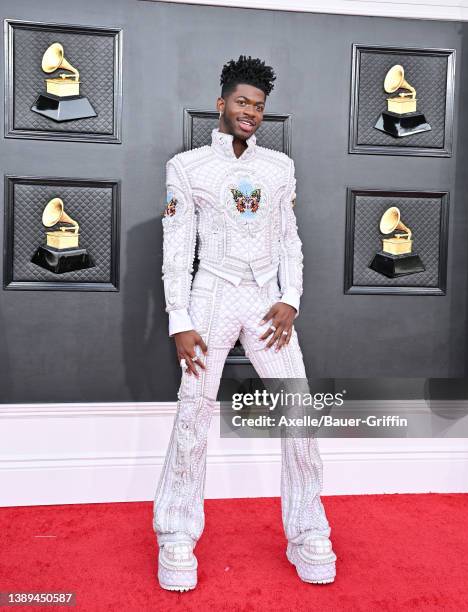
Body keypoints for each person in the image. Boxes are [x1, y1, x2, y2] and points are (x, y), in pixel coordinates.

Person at [153, 55, 337, 591]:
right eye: (241, 102)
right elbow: (175, 249)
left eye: (258, 106)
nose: (250, 112)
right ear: (221, 105)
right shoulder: (186, 168)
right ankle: (177, 534)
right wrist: (179, 320)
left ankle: (308, 529)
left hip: (266, 302)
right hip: (209, 294)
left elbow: (289, 239)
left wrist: (292, 297)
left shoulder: (280, 168)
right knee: (194, 414)